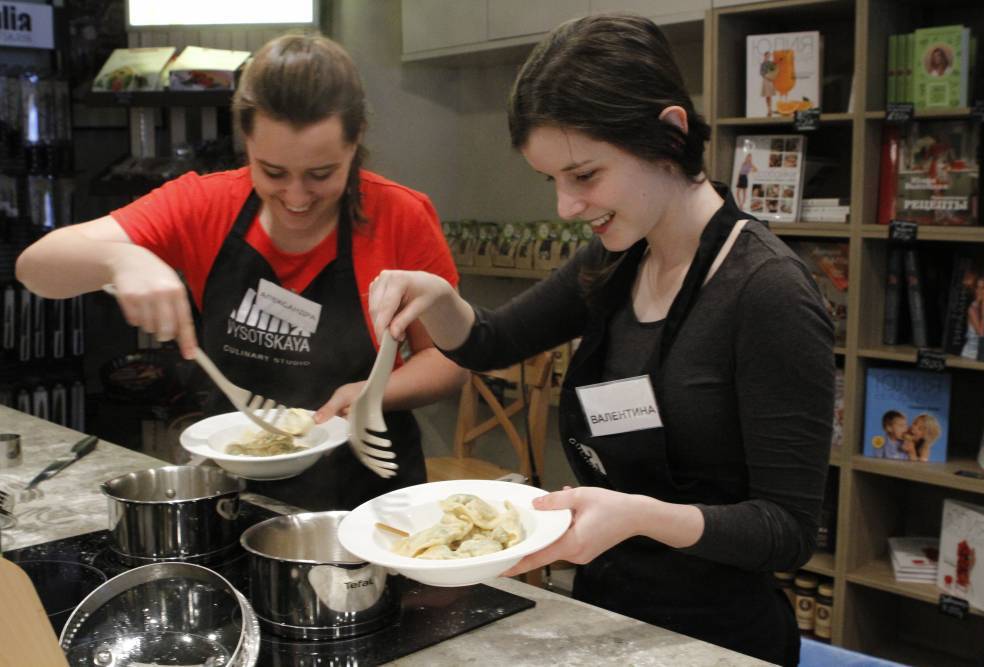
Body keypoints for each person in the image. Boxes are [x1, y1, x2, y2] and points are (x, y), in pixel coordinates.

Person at [367, 14, 833, 666]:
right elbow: (492, 340)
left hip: (719, 642)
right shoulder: (614, 259)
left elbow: (786, 530)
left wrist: (642, 514)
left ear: (668, 133)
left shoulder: (768, 294)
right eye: (552, 180)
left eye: (584, 175)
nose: (565, 206)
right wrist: (438, 299)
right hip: (602, 618)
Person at [15, 33, 466, 510]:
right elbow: (34, 268)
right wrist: (119, 258)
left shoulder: (400, 215)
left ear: (355, 142)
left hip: (373, 499)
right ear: (246, 142)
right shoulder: (202, 205)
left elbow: (448, 362)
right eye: (272, 172)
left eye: (321, 174)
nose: (296, 197)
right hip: (231, 493)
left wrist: (370, 394)